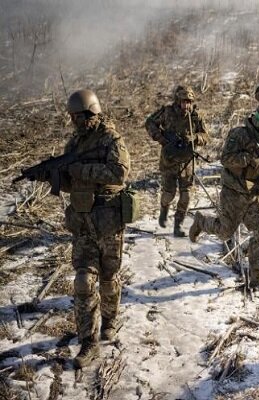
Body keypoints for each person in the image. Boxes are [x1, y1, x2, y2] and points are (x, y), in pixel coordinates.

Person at [31, 90, 131, 367]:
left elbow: (119, 173)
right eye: (72, 117)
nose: (75, 122)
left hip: (109, 222)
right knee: (84, 282)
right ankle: (89, 342)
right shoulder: (74, 143)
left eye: (79, 117)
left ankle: (110, 321)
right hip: (83, 224)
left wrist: (80, 171)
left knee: (109, 281)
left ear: (92, 113)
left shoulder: (112, 140)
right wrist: (49, 176)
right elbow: (69, 182)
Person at [189, 106, 259, 291]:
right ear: (256, 124)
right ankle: (200, 222)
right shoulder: (238, 135)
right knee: (224, 233)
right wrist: (249, 158)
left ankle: (257, 275)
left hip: (253, 195)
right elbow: (226, 159)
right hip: (233, 193)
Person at [145, 85, 209, 237]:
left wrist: (195, 138)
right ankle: (164, 208)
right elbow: (150, 123)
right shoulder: (167, 112)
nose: (186, 105)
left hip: (187, 162)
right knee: (169, 194)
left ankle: (178, 224)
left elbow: (206, 136)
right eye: (183, 101)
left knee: (186, 196)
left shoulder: (195, 116)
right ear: (177, 101)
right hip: (169, 160)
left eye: (189, 101)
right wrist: (161, 138)